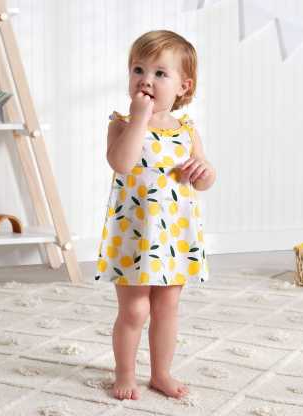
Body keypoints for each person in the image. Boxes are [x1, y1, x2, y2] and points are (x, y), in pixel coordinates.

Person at [94, 29, 216, 401]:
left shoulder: (187, 130)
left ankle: (161, 372)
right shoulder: (121, 122)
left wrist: (205, 172)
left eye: (160, 73)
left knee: (167, 308)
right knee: (134, 310)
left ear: (183, 86)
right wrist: (139, 119)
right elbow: (121, 162)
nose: (146, 80)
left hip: (173, 236)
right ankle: (125, 372)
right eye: (138, 70)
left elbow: (203, 179)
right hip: (135, 234)